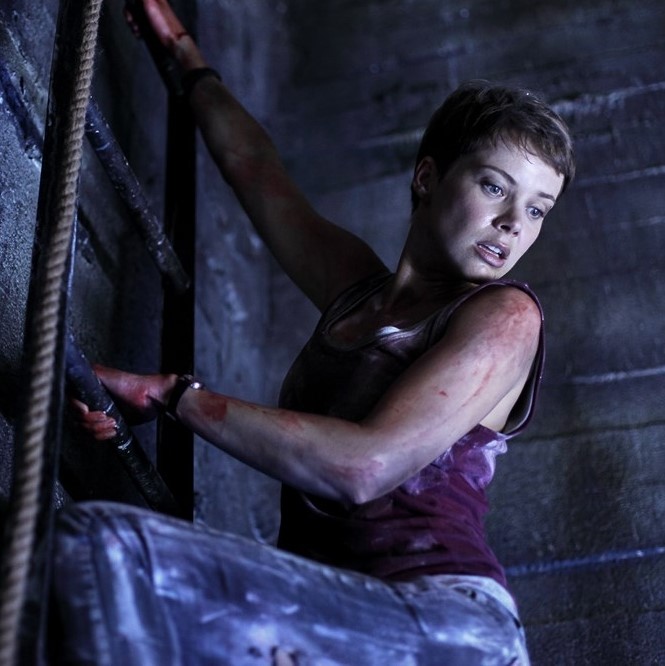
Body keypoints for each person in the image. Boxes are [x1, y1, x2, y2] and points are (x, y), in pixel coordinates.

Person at [52, 0, 575, 664]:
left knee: (105, 548)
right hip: (334, 614)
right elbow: (255, 170)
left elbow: (364, 468)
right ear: (427, 176)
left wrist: (174, 396)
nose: (513, 223)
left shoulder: (506, 315)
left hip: (445, 628)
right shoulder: (356, 288)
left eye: (537, 209)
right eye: (495, 187)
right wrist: (183, 54)